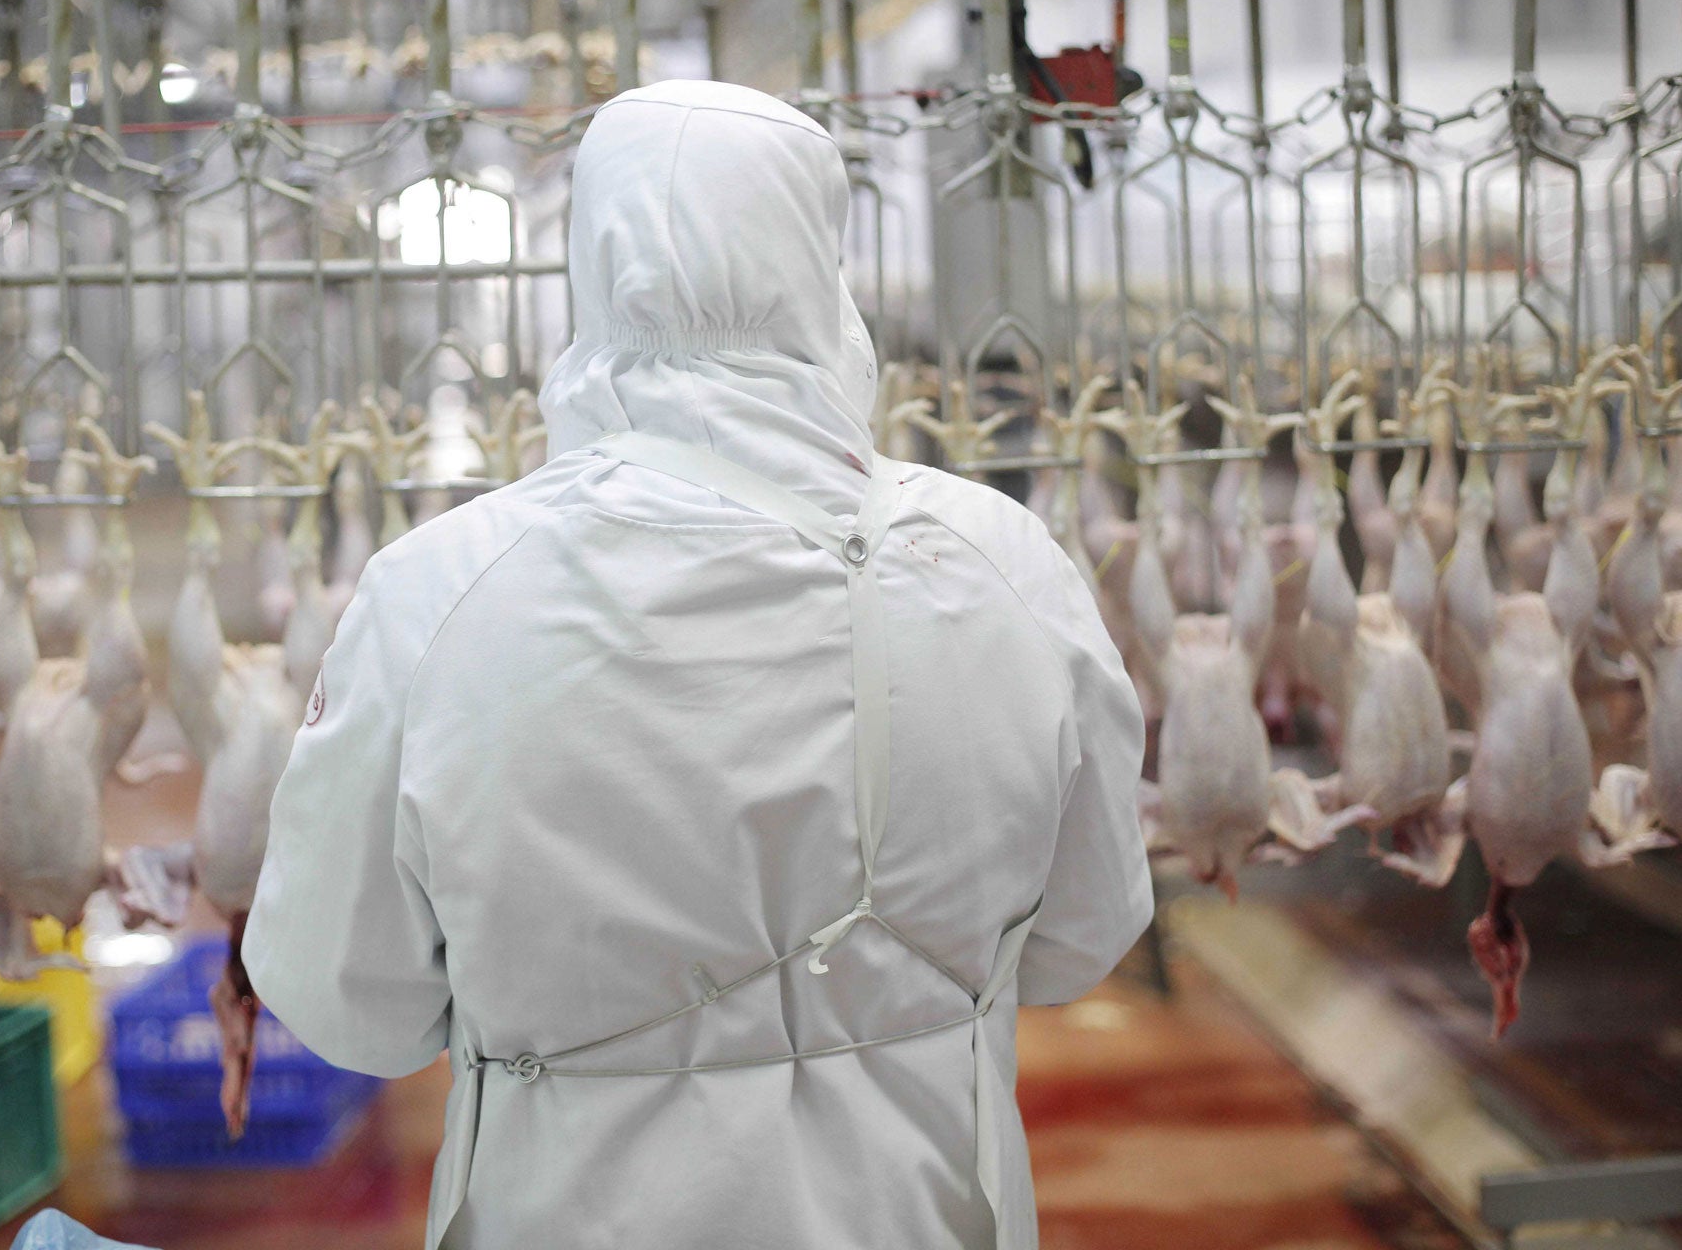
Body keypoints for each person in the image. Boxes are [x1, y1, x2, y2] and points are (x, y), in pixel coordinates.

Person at [244, 79, 1152, 1250]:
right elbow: (1083, 933)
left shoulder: (439, 593)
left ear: (589, 267)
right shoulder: (1004, 565)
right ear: (821, 267)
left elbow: (347, 1003)